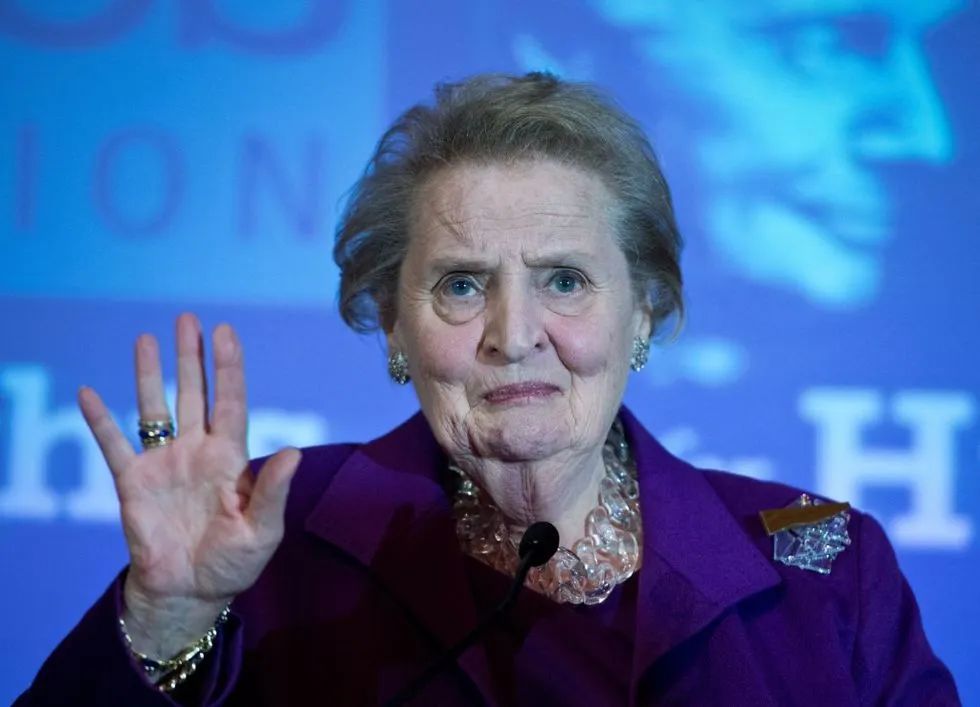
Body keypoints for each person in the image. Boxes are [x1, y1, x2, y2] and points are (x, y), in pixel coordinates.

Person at [16, 73, 958, 705]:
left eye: (565, 280)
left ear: (646, 314)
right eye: (461, 284)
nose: (514, 334)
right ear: (392, 323)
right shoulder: (269, 543)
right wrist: (165, 618)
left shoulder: (829, 570)